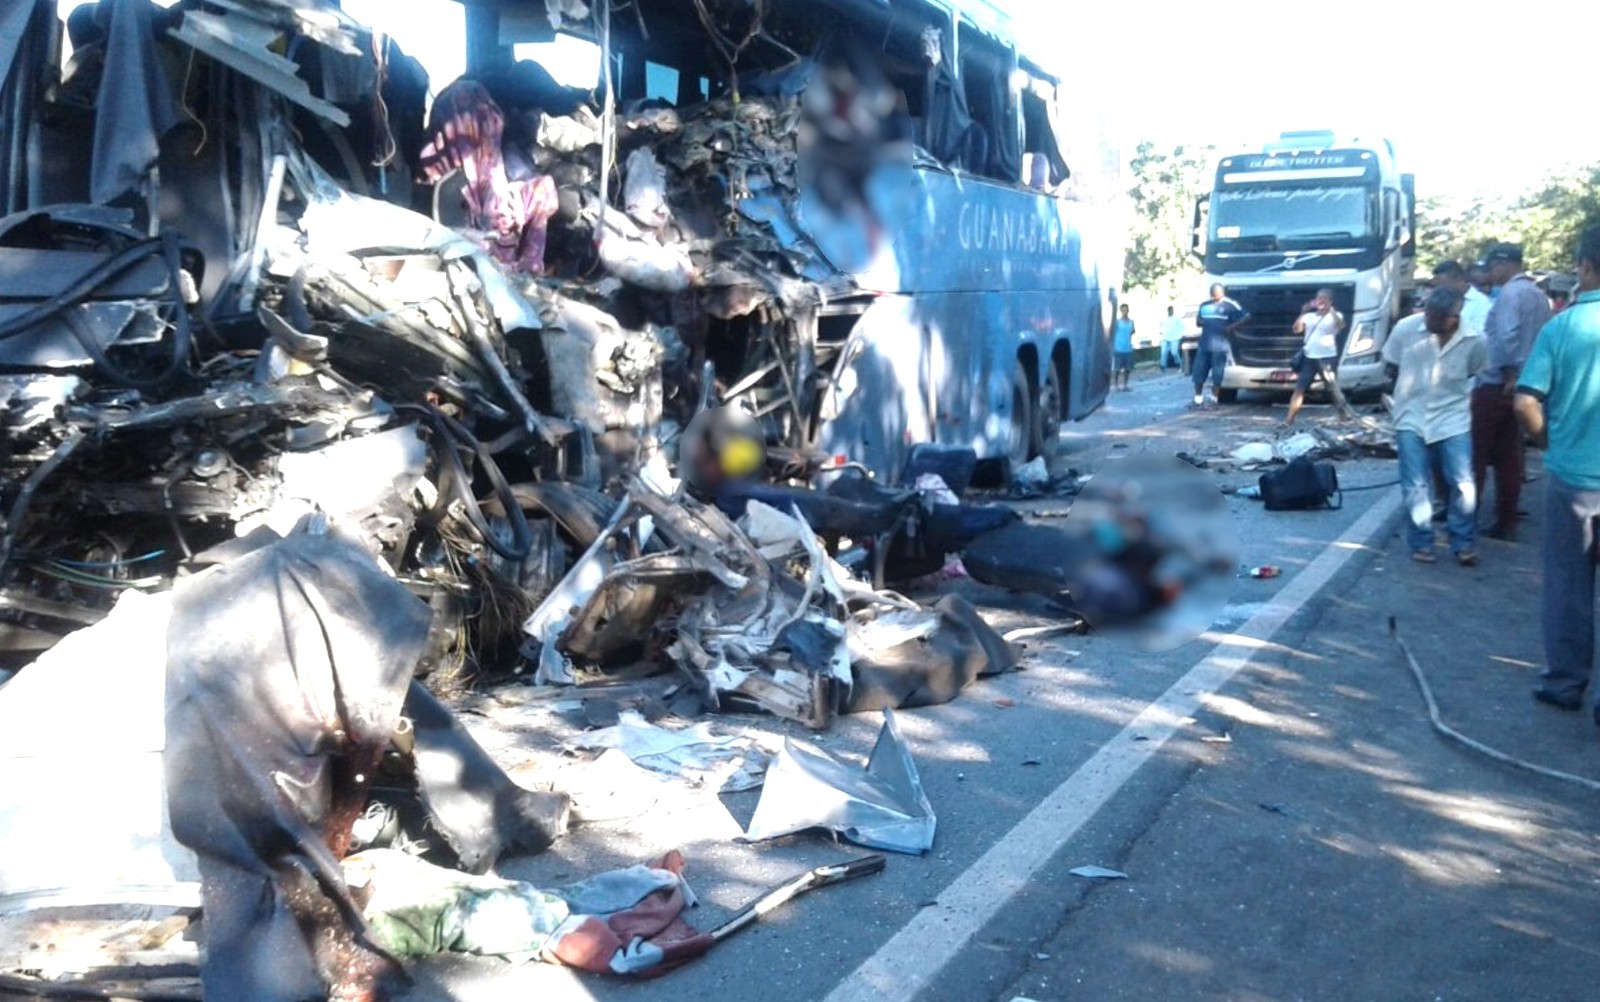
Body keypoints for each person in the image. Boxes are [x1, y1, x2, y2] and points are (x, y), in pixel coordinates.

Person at [1513, 225, 1600, 719]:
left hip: (1574, 480)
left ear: (1585, 267)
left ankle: (1566, 683)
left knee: (1570, 585)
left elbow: (1526, 401)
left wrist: (1549, 441)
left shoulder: (1564, 326)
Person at [1384, 286, 1486, 564]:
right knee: (1415, 485)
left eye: (1435, 317)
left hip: (1453, 420)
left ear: (1453, 319)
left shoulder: (1476, 341)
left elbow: (1474, 371)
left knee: (1464, 484)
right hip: (1411, 418)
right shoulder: (1406, 329)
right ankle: (1421, 542)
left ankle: (1463, 541)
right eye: (1426, 312)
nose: (1427, 320)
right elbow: (1391, 363)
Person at [1473, 242, 1551, 541]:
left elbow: (1505, 338)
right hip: (1529, 384)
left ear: (1503, 264)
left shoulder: (1509, 294)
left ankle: (1467, 514)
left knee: (1477, 452)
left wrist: (1508, 372)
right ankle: (1506, 519)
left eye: (1492, 267)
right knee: (1509, 456)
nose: (1490, 274)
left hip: (1498, 383)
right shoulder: (1538, 295)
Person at [1283, 288, 1346, 426]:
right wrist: (1303, 312)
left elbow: (1341, 326)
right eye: (1318, 298)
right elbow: (1297, 329)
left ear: (1330, 300)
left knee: (1332, 388)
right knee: (1300, 388)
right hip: (1309, 357)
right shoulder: (1310, 316)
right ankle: (1289, 419)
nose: (1320, 300)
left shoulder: (1336, 315)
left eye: (1324, 298)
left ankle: (1343, 414)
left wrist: (1331, 310)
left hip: (1327, 357)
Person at [1191, 284, 1248, 409]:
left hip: (1220, 346)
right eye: (1213, 293)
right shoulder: (1204, 306)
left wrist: (1230, 327)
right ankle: (1197, 400)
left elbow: (1246, 317)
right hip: (1204, 345)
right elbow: (1198, 322)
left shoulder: (1230, 306)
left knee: (1217, 374)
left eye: (1218, 292)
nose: (1215, 295)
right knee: (1198, 372)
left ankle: (1214, 400)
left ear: (1222, 293)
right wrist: (1202, 322)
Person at [1112, 303, 1136, 391]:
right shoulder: (1117, 323)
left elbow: (1133, 331)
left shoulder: (1131, 322)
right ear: (1121, 311)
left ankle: (1125, 384)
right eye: (1123, 310)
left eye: (1126, 310)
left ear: (1128, 311)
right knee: (1117, 368)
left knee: (1128, 369)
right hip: (1118, 348)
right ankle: (1116, 385)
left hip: (1128, 348)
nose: (1125, 312)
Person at [1158, 305, 1186, 373]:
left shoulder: (1177, 319)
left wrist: (1180, 335)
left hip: (1175, 338)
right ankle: (1162, 366)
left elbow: (1182, 327)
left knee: (1174, 352)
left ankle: (1179, 364)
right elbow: (1160, 326)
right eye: (1170, 310)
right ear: (1168, 311)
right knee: (1164, 352)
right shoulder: (1164, 319)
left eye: (1172, 310)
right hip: (1165, 337)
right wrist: (1161, 331)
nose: (1171, 311)